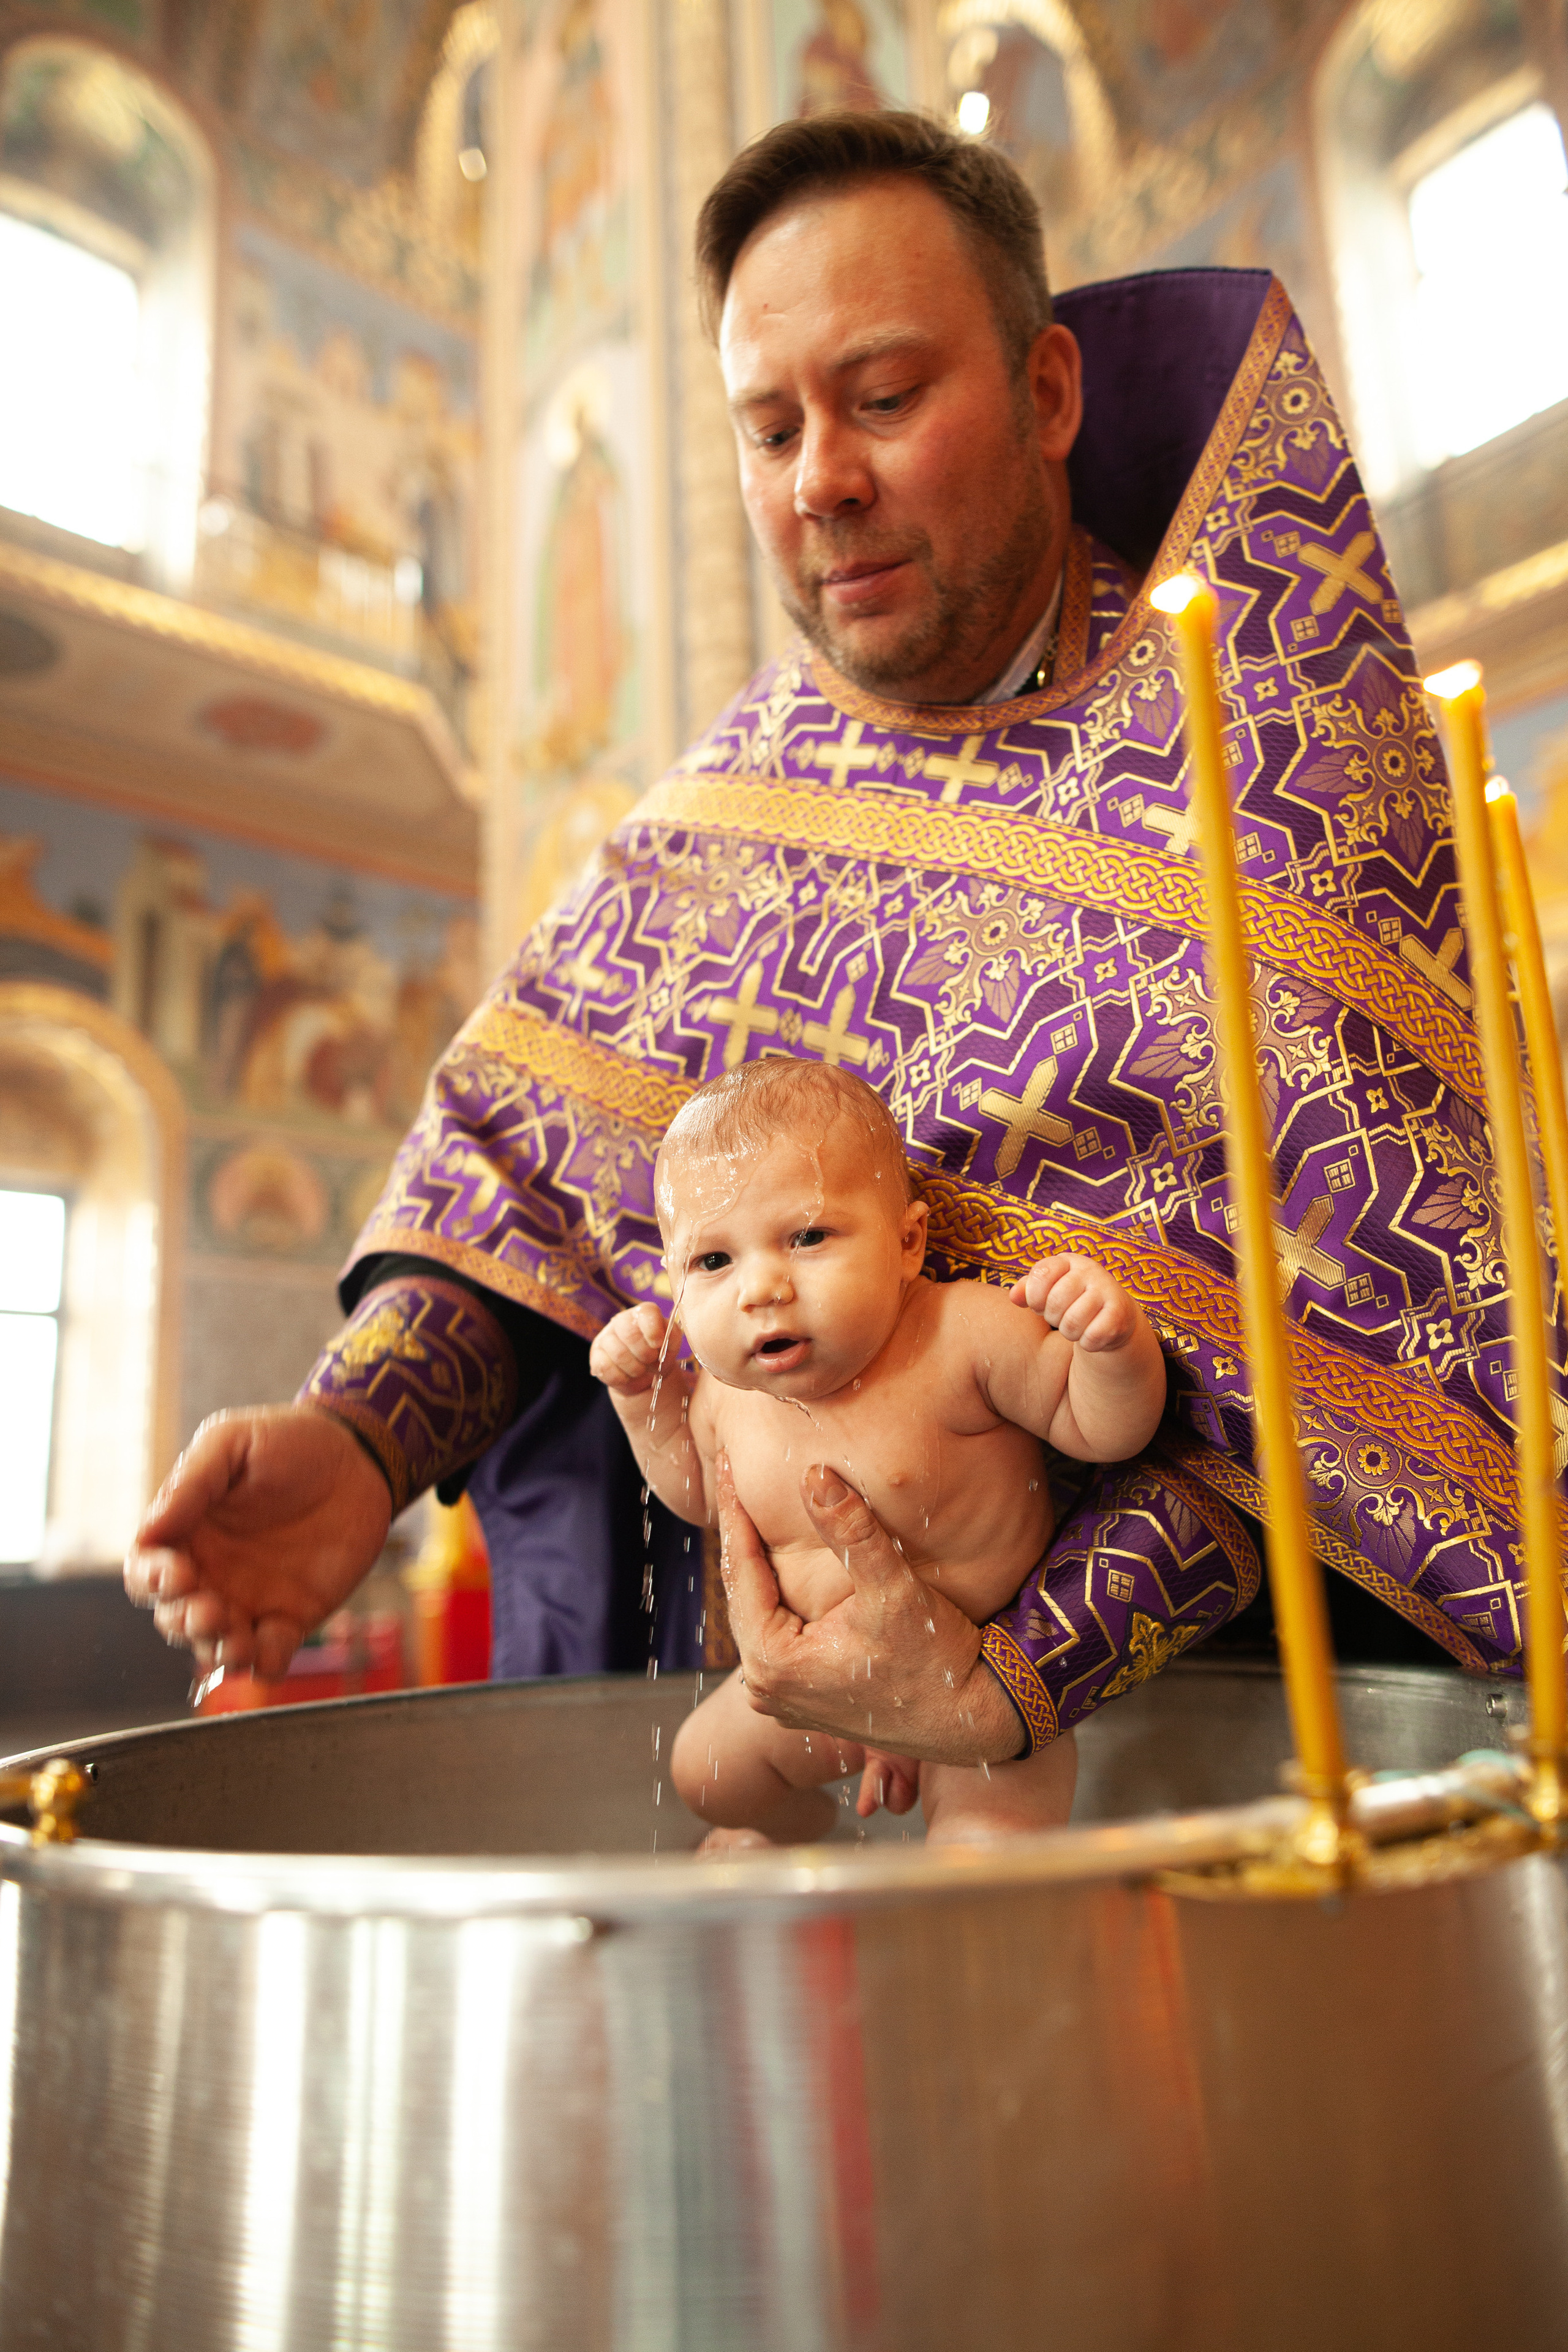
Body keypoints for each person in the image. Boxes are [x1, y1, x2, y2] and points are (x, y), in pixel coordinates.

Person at [128, 111, 1542, 1785]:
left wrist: (1025, 1661)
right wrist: (358, 1441)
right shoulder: (710, 828)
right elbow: (520, 1175)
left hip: (1247, 1768)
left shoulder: (1279, 763)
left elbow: (1355, 1369)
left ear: (1048, 396)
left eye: (883, 398)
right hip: (807, 1781)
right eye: (770, 424)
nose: (823, 478)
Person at [592, 1058, 1164, 1843]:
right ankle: (788, 1838)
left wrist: (1110, 1347)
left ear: (907, 1243)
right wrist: (643, 1408)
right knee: (706, 1773)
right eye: (713, 1261)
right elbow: (694, 1496)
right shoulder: (724, 1395)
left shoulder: (959, 1335)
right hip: (823, 1692)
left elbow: (1101, 1427)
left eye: (807, 1237)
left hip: (981, 1676)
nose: (760, 1288)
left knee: (986, 1850)